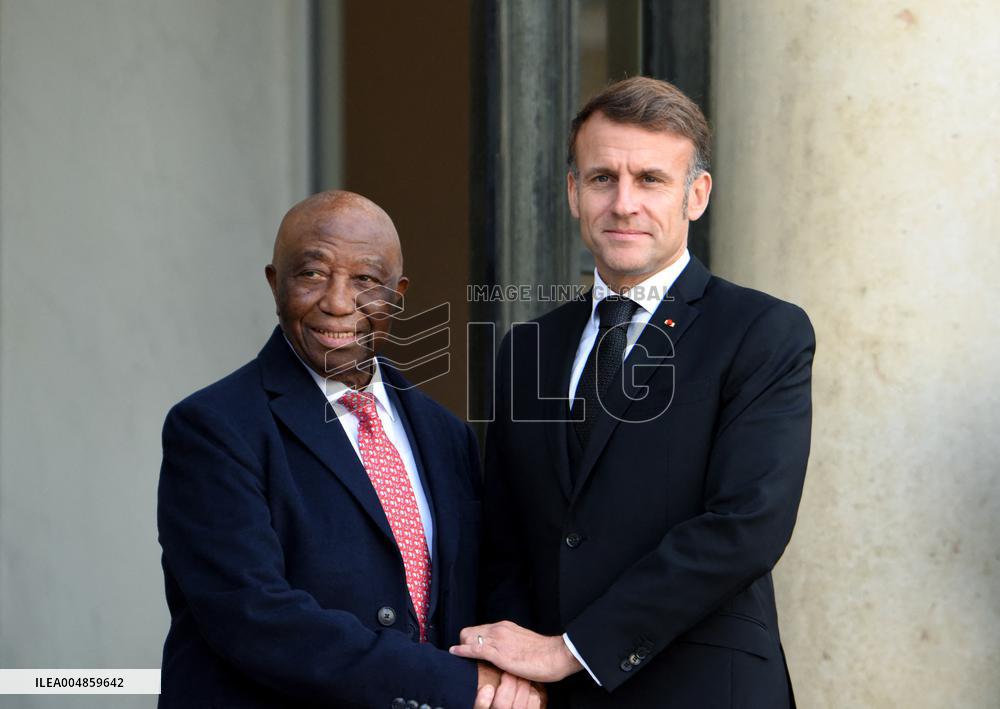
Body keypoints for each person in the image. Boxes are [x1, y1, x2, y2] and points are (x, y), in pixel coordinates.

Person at [450, 77, 815, 708]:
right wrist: (516, 666)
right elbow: (507, 542)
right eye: (602, 178)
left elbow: (745, 527)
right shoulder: (527, 348)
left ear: (696, 195)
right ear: (573, 192)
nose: (623, 204)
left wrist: (572, 650)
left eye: (650, 180)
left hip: (704, 691)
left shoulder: (762, 332)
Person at [158, 191, 543, 708]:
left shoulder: (446, 435)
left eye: (364, 279)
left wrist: (514, 674)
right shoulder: (213, 428)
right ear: (275, 283)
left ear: (398, 295)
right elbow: (253, 617)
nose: (338, 302)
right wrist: (457, 683)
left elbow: (484, 586)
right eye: (312, 274)